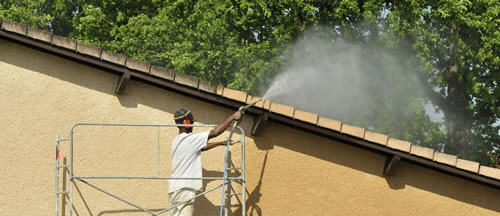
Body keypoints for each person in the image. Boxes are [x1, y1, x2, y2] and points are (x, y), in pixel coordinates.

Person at [169, 108, 243, 216]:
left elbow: (201, 148)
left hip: (174, 189)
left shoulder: (177, 141)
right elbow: (215, 132)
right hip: (185, 189)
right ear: (186, 122)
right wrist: (233, 117)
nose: (193, 126)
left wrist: (221, 143)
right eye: (192, 123)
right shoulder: (189, 138)